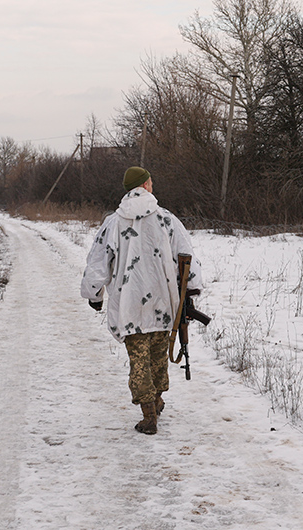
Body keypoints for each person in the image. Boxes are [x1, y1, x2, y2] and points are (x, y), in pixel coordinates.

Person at [81, 166, 203, 435]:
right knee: (159, 356)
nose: (152, 185)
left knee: (139, 359)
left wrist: (94, 294)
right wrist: (191, 290)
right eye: (150, 181)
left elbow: (99, 261)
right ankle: (155, 402)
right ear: (145, 185)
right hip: (163, 301)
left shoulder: (113, 222)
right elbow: (186, 256)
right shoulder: (167, 219)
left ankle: (150, 411)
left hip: (130, 304)